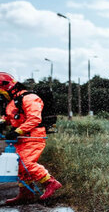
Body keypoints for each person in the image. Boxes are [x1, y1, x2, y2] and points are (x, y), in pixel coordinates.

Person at [0, 72, 62, 204]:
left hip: (34, 136)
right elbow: (10, 117)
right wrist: (3, 123)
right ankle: (26, 194)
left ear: (6, 87)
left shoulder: (29, 98)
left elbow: (34, 118)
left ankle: (51, 183)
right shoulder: (12, 102)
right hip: (23, 137)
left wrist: (17, 131)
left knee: (27, 163)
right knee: (20, 165)